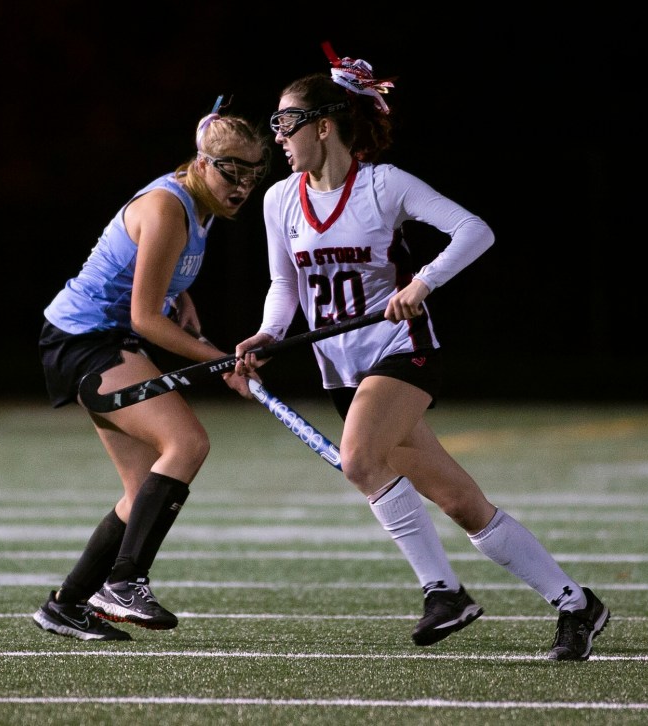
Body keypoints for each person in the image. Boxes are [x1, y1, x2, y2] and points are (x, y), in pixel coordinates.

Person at [233, 43, 609, 661]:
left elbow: (474, 230)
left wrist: (421, 284)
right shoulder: (280, 200)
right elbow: (285, 285)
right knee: (462, 503)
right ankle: (576, 604)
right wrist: (268, 336)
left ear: (323, 126)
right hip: (342, 369)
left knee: (359, 460)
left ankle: (444, 592)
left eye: (287, 121)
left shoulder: (383, 185)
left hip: (402, 350)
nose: (278, 135)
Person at [34, 97, 272, 641]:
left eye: (252, 175)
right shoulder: (169, 207)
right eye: (231, 171)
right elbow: (145, 318)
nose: (241, 186)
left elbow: (154, 279)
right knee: (187, 443)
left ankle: (66, 605)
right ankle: (124, 582)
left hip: (103, 337)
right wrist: (224, 362)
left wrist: (179, 296)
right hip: (83, 340)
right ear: (202, 162)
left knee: (142, 489)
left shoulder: (202, 205)